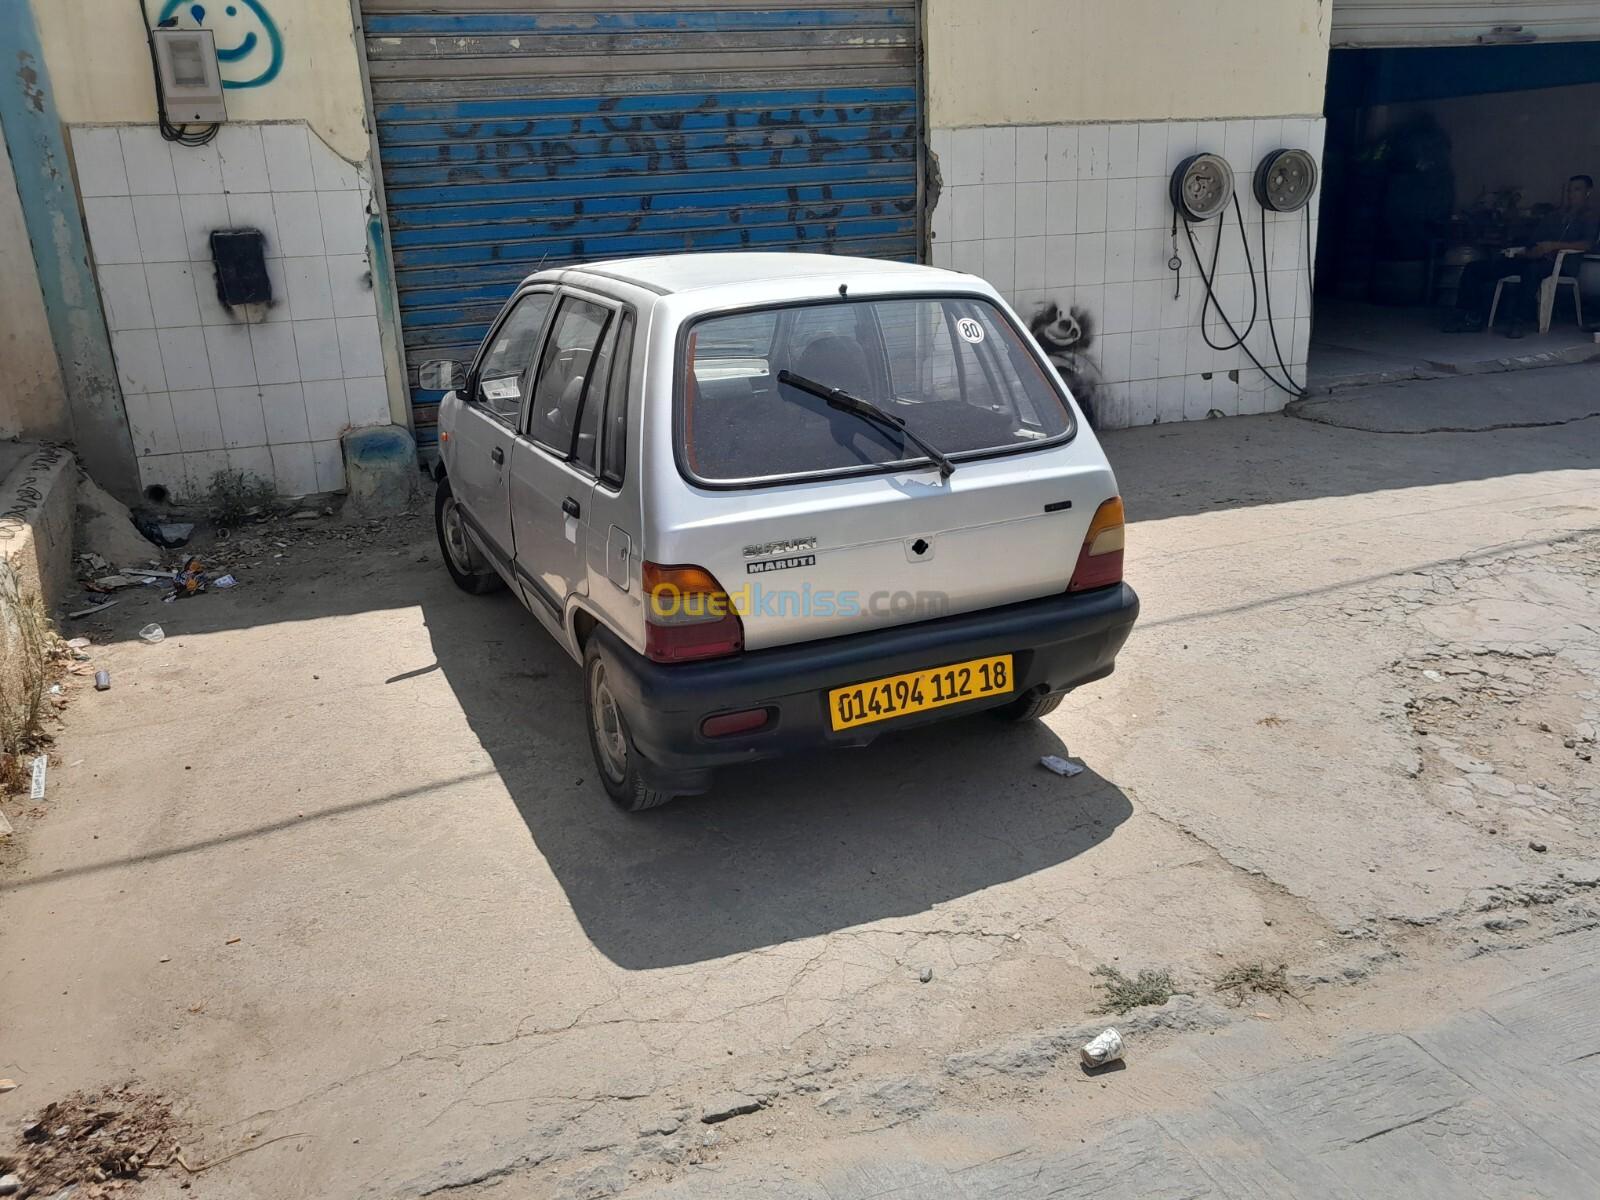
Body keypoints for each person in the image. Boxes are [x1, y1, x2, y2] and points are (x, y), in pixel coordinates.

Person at [1445, 174, 1599, 337]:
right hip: (1534, 258)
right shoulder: (1554, 216)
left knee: (1531, 270)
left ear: (1588, 192)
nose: (1571, 194)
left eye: (1577, 190)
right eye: (1569, 190)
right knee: (1475, 268)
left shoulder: (1590, 217)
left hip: (1562, 264)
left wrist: (1553, 246)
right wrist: (1530, 251)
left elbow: (1587, 244)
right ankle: (1468, 316)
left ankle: (1519, 321)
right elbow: (1534, 240)